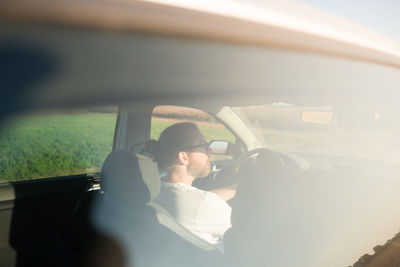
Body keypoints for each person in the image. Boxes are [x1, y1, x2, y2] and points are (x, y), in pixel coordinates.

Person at [148, 122, 236, 249]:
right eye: (204, 146)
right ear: (184, 157)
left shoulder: (156, 186)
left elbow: (200, 199)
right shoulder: (205, 205)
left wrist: (236, 188)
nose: (209, 150)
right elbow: (247, 230)